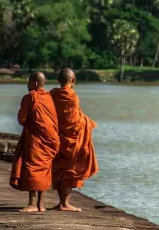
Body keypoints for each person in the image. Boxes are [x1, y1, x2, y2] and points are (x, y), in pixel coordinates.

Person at [49, 68, 99, 212]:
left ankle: (61, 203)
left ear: (58, 80)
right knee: (70, 169)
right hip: (73, 138)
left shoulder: (52, 94)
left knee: (60, 168)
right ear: (73, 80)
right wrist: (86, 123)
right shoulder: (73, 96)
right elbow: (75, 120)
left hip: (57, 136)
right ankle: (64, 203)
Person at [10, 72, 60, 213]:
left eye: (29, 82)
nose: (27, 84)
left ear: (35, 84)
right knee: (44, 169)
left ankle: (32, 204)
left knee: (32, 167)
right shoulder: (49, 98)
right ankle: (41, 204)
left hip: (36, 140)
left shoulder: (30, 98)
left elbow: (22, 120)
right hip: (50, 140)